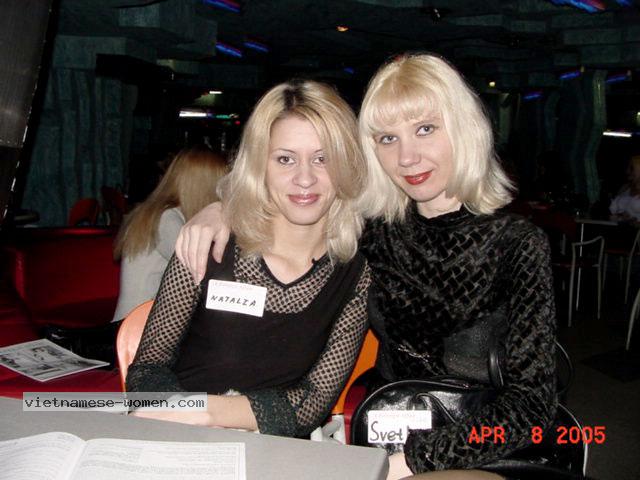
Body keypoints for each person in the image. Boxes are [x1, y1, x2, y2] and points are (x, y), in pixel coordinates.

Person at [176, 54, 557, 479]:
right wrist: (220, 208)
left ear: (464, 129)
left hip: (483, 447)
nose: (407, 157)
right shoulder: (372, 231)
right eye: (387, 138)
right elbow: (291, 196)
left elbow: (532, 407)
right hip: (387, 431)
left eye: (425, 129)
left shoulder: (517, 244)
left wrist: (406, 464)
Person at [126, 79, 372, 438]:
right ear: (260, 165)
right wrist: (181, 415)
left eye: (323, 159)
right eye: (285, 159)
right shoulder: (211, 244)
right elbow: (149, 367)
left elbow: (313, 403)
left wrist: (212, 412)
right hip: (179, 435)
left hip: (270, 449)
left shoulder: (355, 274)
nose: (305, 178)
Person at [112, 145, 227, 322]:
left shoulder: (159, 212)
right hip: (137, 327)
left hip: (138, 320)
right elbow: (199, 270)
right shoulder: (165, 218)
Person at [610, 154, 640, 222]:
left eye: (632, 168)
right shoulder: (625, 188)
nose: (628, 171)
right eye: (628, 167)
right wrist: (620, 216)